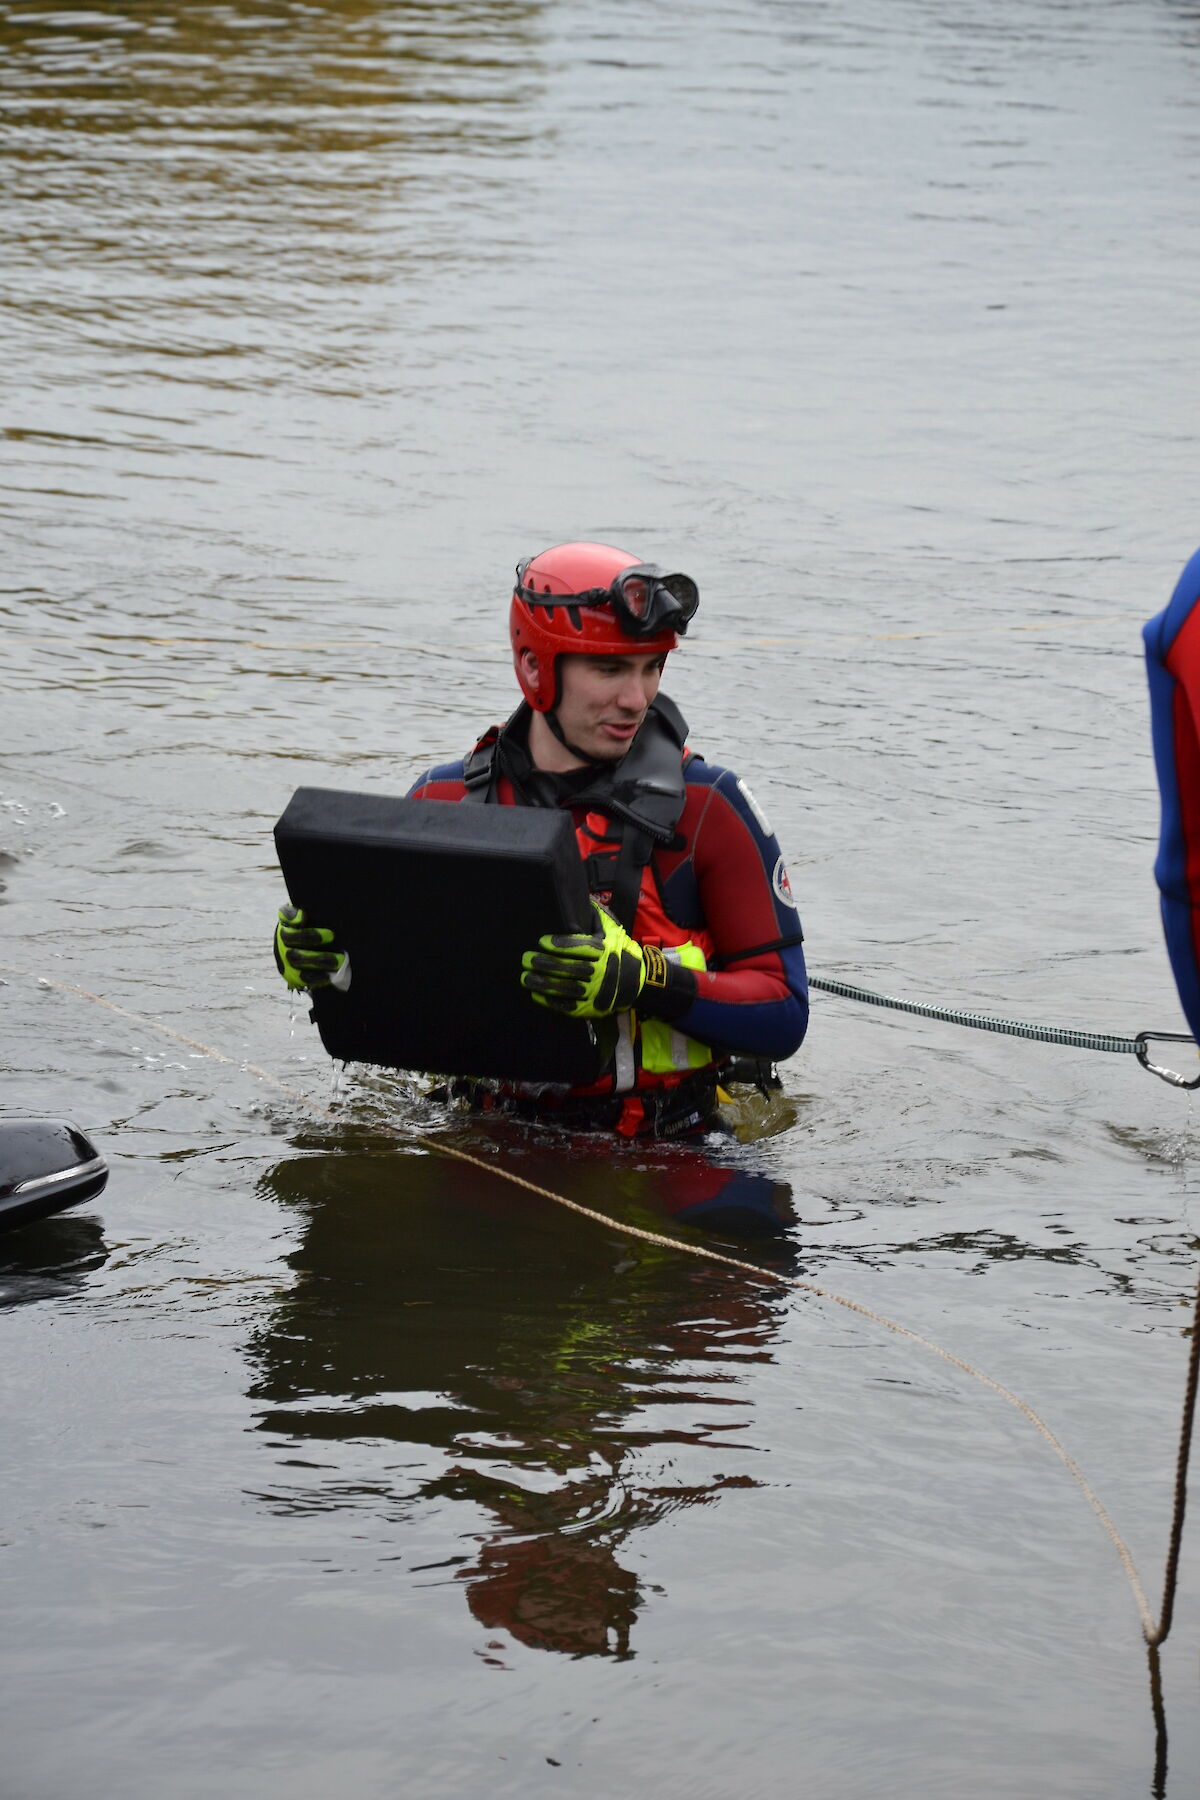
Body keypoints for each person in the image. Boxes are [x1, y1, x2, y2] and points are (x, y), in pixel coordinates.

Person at [275, 541, 808, 1138]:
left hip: (671, 1143)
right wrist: (329, 963)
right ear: (533, 668)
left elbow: (785, 1013)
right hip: (484, 1132)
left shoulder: (710, 808)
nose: (637, 699)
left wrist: (645, 981)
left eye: (652, 666)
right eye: (610, 669)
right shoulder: (441, 802)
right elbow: (394, 1001)